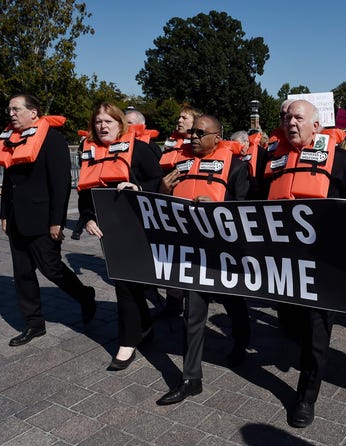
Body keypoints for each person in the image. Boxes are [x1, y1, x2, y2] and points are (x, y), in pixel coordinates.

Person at [260, 99, 346, 428]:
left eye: (298, 118)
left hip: (324, 264)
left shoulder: (342, 160)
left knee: (317, 332)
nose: (290, 122)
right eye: (286, 117)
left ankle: (306, 396)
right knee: (292, 322)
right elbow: (252, 199)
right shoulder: (272, 157)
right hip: (283, 262)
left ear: (316, 126)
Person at [155, 115, 252, 406]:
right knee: (192, 315)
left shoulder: (236, 167)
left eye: (200, 132)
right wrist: (162, 190)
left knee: (233, 303)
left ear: (217, 138)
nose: (193, 136)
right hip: (192, 252)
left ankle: (241, 343)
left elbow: (248, 210)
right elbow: (161, 208)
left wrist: (222, 208)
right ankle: (190, 379)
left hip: (223, 253)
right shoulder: (178, 165)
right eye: (191, 132)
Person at [0, 93, 96, 346]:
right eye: (9, 110)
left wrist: (56, 221)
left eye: (16, 109)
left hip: (42, 219)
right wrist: (4, 213)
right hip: (16, 219)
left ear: (33, 112)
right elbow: (8, 180)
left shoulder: (52, 139)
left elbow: (60, 184)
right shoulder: (13, 139)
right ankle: (34, 324)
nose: (11, 114)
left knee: (52, 268)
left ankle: (85, 295)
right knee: (23, 274)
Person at [77, 102, 163, 370]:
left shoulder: (138, 148)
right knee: (127, 281)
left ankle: (127, 342)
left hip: (138, 226)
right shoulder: (88, 151)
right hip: (108, 229)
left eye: (109, 122)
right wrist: (87, 217)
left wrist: (137, 186)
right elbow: (83, 192)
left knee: (125, 283)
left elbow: (160, 181)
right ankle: (145, 325)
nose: (102, 126)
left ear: (120, 125)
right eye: (98, 122)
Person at [156, 106, 204, 318]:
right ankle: (174, 303)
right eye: (178, 117)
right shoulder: (171, 147)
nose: (179, 120)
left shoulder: (204, 148)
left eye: (184, 117)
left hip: (199, 213)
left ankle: (198, 301)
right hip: (174, 212)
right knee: (174, 258)